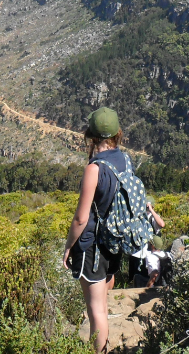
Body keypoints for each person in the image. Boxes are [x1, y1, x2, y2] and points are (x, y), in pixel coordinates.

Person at [63, 106, 126, 353]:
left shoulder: (94, 169)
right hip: (113, 242)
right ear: (116, 133)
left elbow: (81, 218)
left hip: (92, 246)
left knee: (96, 312)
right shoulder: (124, 160)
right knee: (103, 301)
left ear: (91, 136)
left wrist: (69, 246)